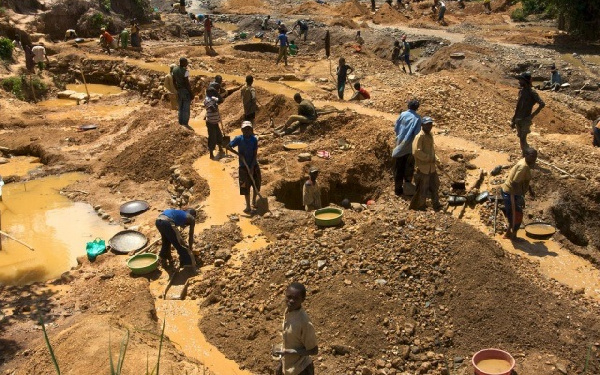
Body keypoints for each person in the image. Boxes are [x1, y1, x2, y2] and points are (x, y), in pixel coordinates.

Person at [273, 282, 319, 375]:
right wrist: (281, 362)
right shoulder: (288, 312)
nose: (291, 301)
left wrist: (289, 352)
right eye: (289, 297)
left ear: (303, 299)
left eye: (296, 298)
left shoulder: (304, 322)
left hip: (301, 369)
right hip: (288, 368)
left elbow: (314, 350)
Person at [501, 148, 537, 240]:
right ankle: (513, 236)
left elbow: (523, 179)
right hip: (511, 193)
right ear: (526, 155)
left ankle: (509, 234)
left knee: (515, 214)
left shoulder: (525, 162)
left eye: (535, 156)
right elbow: (514, 183)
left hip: (512, 192)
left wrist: (529, 189)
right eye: (532, 156)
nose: (534, 158)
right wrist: (520, 196)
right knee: (516, 215)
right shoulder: (523, 166)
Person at [227, 121, 261, 214]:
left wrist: (252, 167)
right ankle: (248, 206)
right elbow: (228, 146)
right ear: (242, 130)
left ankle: (254, 201)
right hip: (243, 166)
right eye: (245, 129)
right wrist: (238, 154)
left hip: (253, 164)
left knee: (256, 184)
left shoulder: (254, 139)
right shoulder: (239, 139)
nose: (247, 131)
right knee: (245, 187)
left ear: (251, 130)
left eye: (249, 129)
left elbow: (255, 155)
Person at [409, 117, 441, 210]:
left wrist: (437, 160)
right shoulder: (419, 136)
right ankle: (420, 206)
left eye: (430, 124)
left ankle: (436, 204)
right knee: (423, 188)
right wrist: (428, 158)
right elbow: (416, 152)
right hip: (423, 168)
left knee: (435, 185)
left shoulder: (430, 135)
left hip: (431, 167)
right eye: (427, 124)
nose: (429, 126)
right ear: (422, 125)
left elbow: (432, 151)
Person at [392, 99, 421, 196]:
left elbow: (396, 128)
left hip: (400, 145)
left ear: (408, 105)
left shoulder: (403, 114)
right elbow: (417, 134)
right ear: (417, 108)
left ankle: (398, 189)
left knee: (398, 168)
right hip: (409, 147)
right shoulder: (417, 118)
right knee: (408, 167)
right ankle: (407, 186)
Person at [511, 71, 545, 153]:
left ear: (525, 81)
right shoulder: (521, 91)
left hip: (525, 119)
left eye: (521, 80)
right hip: (518, 119)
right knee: (521, 138)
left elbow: (542, 104)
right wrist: (513, 119)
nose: (519, 82)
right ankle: (526, 155)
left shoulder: (532, 92)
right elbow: (518, 107)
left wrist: (532, 116)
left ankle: (528, 156)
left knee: (523, 138)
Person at [172, 57, 195, 130]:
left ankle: (180, 122)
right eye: (186, 62)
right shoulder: (186, 71)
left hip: (179, 91)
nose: (187, 63)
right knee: (186, 108)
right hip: (185, 91)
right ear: (183, 63)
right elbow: (187, 83)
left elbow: (173, 81)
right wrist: (191, 93)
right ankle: (185, 124)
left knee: (180, 107)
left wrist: (177, 89)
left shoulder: (174, 69)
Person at [204, 87, 225, 159]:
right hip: (210, 122)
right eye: (213, 92)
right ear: (209, 93)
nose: (214, 94)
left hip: (215, 122)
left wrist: (217, 94)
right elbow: (213, 109)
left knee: (219, 135)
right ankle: (211, 153)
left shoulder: (213, 98)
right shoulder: (207, 100)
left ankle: (220, 148)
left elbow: (221, 100)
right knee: (212, 137)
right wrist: (216, 103)